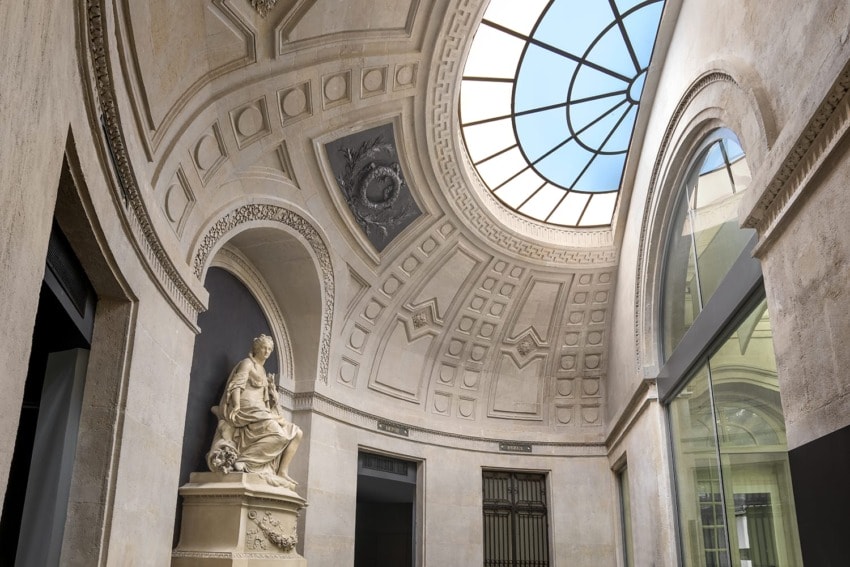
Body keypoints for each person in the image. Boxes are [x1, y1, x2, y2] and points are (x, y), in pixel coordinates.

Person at [206, 334, 302, 488]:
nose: (267, 351)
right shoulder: (247, 363)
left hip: (260, 410)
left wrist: (273, 394)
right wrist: (236, 405)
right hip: (247, 408)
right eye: (264, 347)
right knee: (280, 435)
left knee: (297, 433)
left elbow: (265, 399)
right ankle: (244, 460)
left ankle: (282, 471)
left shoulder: (263, 371)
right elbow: (237, 385)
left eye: (270, 349)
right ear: (257, 348)